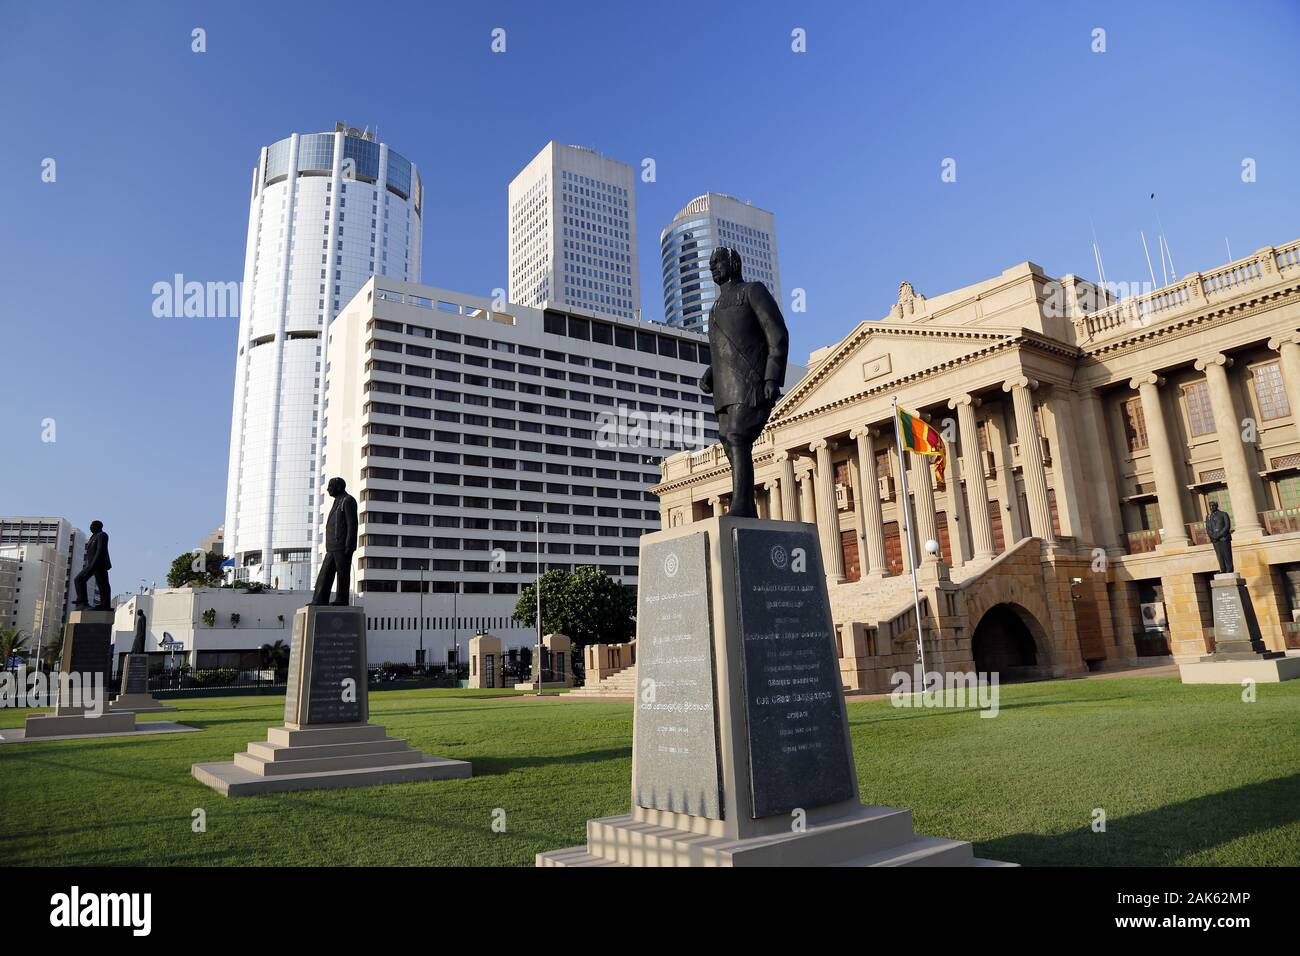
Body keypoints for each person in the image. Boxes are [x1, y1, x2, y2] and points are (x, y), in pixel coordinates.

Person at [698, 247, 789, 518]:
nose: (713, 268)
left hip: (750, 383)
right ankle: (744, 502)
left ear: (734, 263)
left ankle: (743, 506)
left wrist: (772, 376)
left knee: (737, 436)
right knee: (727, 439)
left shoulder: (752, 291)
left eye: (718, 262)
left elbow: (777, 333)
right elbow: (725, 350)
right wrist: (710, 374)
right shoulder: (714, 308)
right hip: (725, 388)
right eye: (711, 264)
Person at [311, 477, 358, 605]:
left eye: (330, 486)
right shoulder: (337, 501)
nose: (327, 489)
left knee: (342, 574)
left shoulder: (348, 500)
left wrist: (350, 545)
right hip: (332, 547)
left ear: (339, 487)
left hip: (342, 545)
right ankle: (320, 599)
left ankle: (341, 600)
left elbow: (352, 524)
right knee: (325, 573)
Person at [73, 519, 112, 610]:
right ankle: (82, 602)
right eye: (91, 525)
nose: (91, 527)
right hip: (91, 565)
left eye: (93, 525)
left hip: (99, 564)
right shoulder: (92, 537)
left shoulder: (102, 535)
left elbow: (100, 549)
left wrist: (93, 564)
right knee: (78, 579)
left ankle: (105, 604)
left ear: (99, 526)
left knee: (103, 584)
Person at [1205, 500, 1233, 574]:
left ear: (1216, 506)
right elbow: (1208, 528)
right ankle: (1223, 569)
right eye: (1210, 506)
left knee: (1227, 554)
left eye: (1213, 505)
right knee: (1219, 555)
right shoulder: (1208, 517)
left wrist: (1219, 535)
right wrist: (1213, 536)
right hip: (1215, 540)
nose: (1211, 507)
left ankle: (1229, 570)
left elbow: (1227, 526)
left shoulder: (1223, 514)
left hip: (1224, 538)